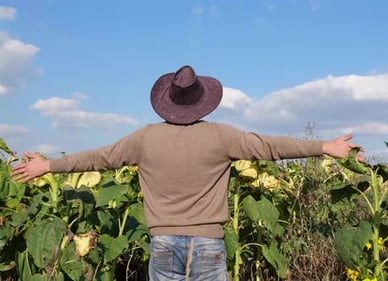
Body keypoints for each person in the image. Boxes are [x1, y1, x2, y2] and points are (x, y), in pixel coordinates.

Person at [11, 65, 364, 281]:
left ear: (168, 102)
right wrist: (325, 147)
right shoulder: (221, 136)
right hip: (210, 244)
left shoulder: (145, 138)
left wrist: (48, 165)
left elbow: (100, 158)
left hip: (163, 243)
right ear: (202, 101)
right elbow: (270, 146)